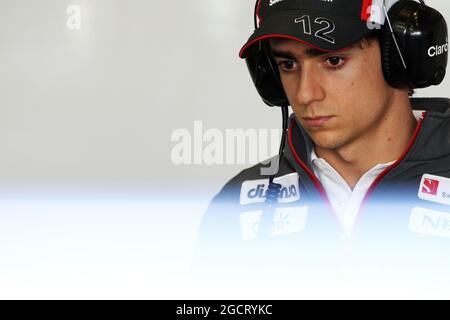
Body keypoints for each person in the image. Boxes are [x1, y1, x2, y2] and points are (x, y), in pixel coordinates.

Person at [196, 0, 450, 294]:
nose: (305, 94)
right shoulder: (236, 203)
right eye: (288, 65)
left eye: (333, 61)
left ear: (401, 57)